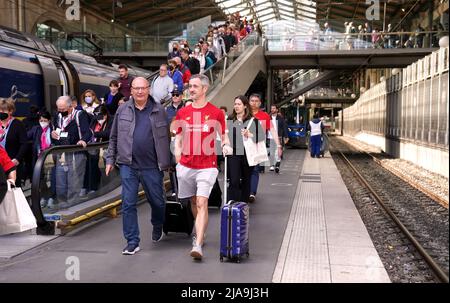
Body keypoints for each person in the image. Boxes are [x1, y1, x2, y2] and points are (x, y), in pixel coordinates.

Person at [105, 77, 171, 255]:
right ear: (131, 90)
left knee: (158, 202)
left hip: (152, 166)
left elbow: (167, 138)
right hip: (128, 165)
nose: (140, 91)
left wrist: (169, 161)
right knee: (128, 203)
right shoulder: (122, 110)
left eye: (143, 88)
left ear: (149, 89)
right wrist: (110, 159)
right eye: (136, 88)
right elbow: (114, 137)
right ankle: (132, 241)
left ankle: (157, 224)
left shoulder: (160, 110)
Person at [173, 74, 228, 260]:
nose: (191, 89)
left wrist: (227, 145)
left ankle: (197, 244)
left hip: (207, 165)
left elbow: (225, 135)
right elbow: (178, 138)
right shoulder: (182, 112)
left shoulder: (217, 113)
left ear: (204, 89)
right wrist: (178, 157)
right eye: (190, 86)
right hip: (186, 165)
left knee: (201, 202)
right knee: (193, 202)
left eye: (195, 86)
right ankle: (201, 230)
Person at [51, 96, 92, 209]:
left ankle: (73, 207)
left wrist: (83, 140)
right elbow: (55, 131)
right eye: (58, 108)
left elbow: (88, 132)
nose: (60, 111)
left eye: (63, 109)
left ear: (70, 106)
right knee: (61, 182)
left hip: (76, 153)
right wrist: (53, 134)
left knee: (74, 182)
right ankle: (62, 205)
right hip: (62, 154)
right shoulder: (57, 116)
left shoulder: (80, 115)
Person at [226, 95, 265, 203]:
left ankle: (243, 204)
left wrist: (250, 134)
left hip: (248, 154)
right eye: (235, 104)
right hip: (234, 153)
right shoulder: (230, 119)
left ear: (245, 106)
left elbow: (261, 137)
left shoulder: (252, 120)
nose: (236, 106)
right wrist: (225, 145)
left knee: (246, 179)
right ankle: (232, 203)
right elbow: (226, 135)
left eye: (239, 104)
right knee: (233, 180)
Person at [248, 94, 282, 203]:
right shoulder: (244, 114)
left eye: (256, 101)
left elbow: (272, 130)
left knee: (254, 170)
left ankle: (252, 193)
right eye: (252, 100)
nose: (254, 103)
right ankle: (245, 190)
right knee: (245, 171)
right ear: (248, 102)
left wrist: (279, 145)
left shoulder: (265, 116)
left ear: (260, 103)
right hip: (243, 147)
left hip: (257, 147)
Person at [81, 104, 112, 196]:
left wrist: (95, 134)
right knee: (90, 164)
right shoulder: (95, 120)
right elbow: (89, 132)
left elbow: (109, 133)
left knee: (107, 170)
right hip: (94, 147)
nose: (99, 119)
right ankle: (88, 186)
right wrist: (83, 139)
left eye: (101, 117)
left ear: (106, 115)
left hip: (107, 147)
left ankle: (106, 189)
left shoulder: (112, 120)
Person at [27, 111, 54, 207]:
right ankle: (43, 197)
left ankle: (51, 197)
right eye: (41, 120)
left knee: (51, 178)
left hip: (50, 157)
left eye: (45, 120)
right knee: (41, 180)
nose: (42, 122)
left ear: (49, 120)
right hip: (39, 158)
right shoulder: (36, 129)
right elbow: (26, 136)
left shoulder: (53, 129)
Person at [0, 98, 28, 187]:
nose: (1, 112)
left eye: (3, 110)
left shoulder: (18, 124)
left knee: (13, 189)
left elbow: (24, 144)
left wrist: (17, 159)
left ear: (10, 111)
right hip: (1, 164)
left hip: (13, 164)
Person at [268, 104, 288, 173]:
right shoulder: (268, 117)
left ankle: (277, 165)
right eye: (271, 108)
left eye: (274, 108)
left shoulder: (280, 118)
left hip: (278, 137)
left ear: (277, 110)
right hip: (271, 137)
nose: (272, 110)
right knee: (272, 152)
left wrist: (286, 136)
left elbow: (284, 127)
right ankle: (272, 165)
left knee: (278, 152)